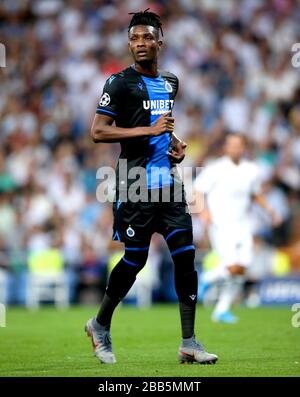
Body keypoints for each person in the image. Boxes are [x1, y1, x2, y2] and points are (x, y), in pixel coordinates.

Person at [85, 9, 218, 365]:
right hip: (134, 184)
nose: (140, 44)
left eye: (146, 37)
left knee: (186, 258)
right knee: (135, 260)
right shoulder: (118, 83)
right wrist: (150, 132)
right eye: (134, 39)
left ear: (160, 41)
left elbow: (160, 125)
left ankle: (189, 341)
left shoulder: (171, 82)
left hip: (169, 185)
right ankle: (99, 324)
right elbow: (98, 132)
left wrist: (173, 143)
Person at [194, 133, 282, 323]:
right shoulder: (215, 168)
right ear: (226, 147)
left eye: (238, 145)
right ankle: (207, 279)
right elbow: (198, 190)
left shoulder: (251, 170)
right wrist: (204, 213)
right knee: (232, 266)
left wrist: (270, 210)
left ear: (244, 147)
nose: (235, 148)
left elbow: (255, 194)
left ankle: (221, 309)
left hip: (243, 223)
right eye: (231, 145)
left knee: (244, 267)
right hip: (221, 224)